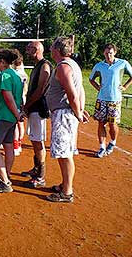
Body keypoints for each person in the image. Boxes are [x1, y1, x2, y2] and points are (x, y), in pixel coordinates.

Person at [46, 37, 89, 203]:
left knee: (64, 153)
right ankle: (65, 185)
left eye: (52, 47)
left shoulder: (64, 67)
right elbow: (81, 90)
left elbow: (72, 93)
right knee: (64, 152)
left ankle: (67, 192)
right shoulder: (71, 65)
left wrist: (78, 112)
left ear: (57, 50)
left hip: (64, 114)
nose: (50, 49)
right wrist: (80, 109)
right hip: (66, 113)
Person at [0, 49, 24, 193]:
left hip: (3, 116)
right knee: (8, 146)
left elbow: (8, 96)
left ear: (2, 62)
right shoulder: (15, 75)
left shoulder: (4, 75)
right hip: (10, 118)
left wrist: (16, 114)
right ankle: (5, 175)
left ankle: (5, 181)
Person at [89, 43, 132, 158]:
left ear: (115, 53)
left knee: (112, 124)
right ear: (104, 53)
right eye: (107, 53)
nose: (108, 55)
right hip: (101, 99)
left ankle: (112, 142)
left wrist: (125, 86)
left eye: (111, 53)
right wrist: (97, 87)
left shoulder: (122, 63)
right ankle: (102, 147)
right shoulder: (99, 65)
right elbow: (91, 79)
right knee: (101, 123)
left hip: (115, 100)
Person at [21, 41, 52, 188]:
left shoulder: (45, 65)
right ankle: (36, 168)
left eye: (29, 49)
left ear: (36, 49)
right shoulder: (38, 65)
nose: (27, 52)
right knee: (34, 139)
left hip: (39, 108)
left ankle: (41, 176)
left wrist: (27, 105)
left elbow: (40, 90)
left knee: (38, 141)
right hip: (34, 108)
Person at [13, 56, 28, 156]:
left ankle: (16, 146)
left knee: (15, 124)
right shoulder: (24, 74)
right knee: (21, 123)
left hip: (16, 100)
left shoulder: (14, 74)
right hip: (23, 99)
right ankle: (19, 144)